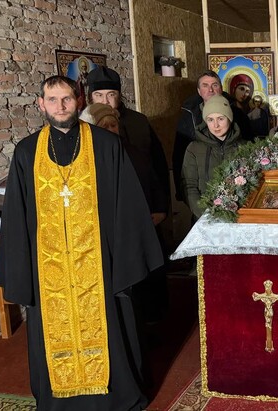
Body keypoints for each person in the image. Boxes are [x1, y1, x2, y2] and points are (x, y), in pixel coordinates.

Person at [0, 75, 162, 410]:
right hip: (49, 268)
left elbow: (127, 206)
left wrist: (123, 261)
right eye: (52, 100)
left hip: (100, 262)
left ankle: (115, 396)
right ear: (41, 104)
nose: (60, 106)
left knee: (110, 323)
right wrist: (23, 270)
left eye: (67, 99)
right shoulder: (27, 151)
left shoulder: (106, 145)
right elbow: (17, 216)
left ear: (79, 101)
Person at [87, 66, 170, 325]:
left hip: (145, 209)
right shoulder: (83, 126)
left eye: (111, 95)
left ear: (119, 96)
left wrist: (162, 207)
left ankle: (156, 322)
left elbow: (156, 167)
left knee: (151, 272)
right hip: (108, 220)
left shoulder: (138, 122)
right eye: (99, 95)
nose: (105, 101)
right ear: (90, 98)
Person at [173, 71, 253, 201]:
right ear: (199, 91)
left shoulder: (238, 115)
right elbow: (179, 156)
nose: (210, 90)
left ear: (221, 88)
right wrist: (182, 193)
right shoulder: (189, 116)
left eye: (214, 85)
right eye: (205, 85)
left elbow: (250, 145)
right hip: (201, 192)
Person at [182, 95, 243, 219]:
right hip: (205, 218)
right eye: (210, 120)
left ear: (229, 119)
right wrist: (206, 215)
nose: (216, 125)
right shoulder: (194, 148)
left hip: (238, 218)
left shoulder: (244, 147)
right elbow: (189, 186)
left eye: (220, 119)